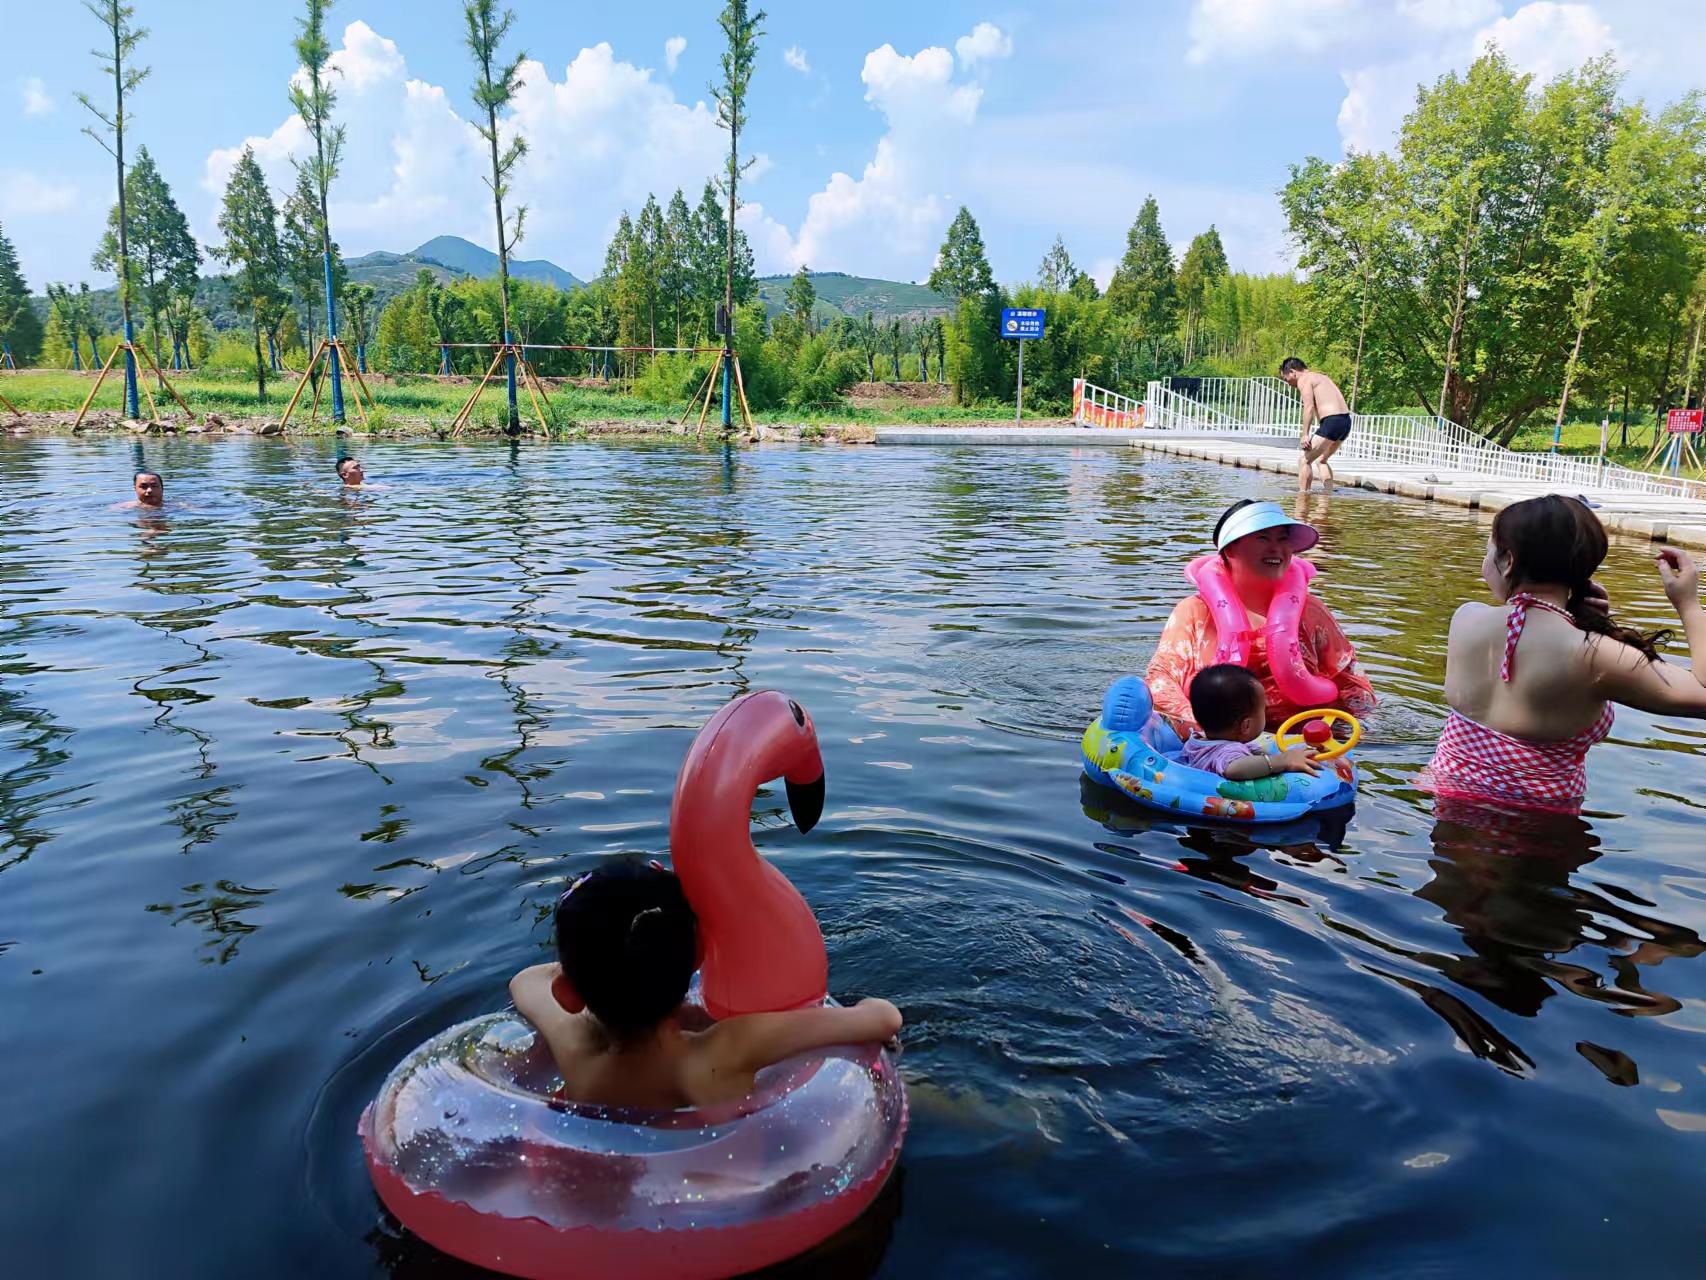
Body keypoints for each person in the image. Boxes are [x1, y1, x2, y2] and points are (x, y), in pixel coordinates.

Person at [509, 857, 902, 1110]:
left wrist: (594, 973)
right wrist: (869, 1006)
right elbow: (884, 1020)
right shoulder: (728, 1047)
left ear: (569, 995)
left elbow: (525, 981)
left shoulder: (576, 1052)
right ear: (699, 957)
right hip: (741, 1206)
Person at [1427, 493, 1706, 814]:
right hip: (1536, 827)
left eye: (1488, 552)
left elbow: (1527, 630)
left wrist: (1581, 619)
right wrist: (1687, 603)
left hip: (1448, 808)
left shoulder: (1466, 619)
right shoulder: (1594, 655)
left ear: (1508, 561)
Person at [1148, 499, 1375, 734]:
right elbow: (1160, 681)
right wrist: (1200, 728)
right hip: (1215, 739)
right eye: (1263, 538)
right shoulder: (1194, 612)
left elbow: (1354, 684)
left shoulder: (1311, 611)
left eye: (1283, 538)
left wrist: (1349, 729)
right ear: (1230, 548)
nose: (1276, 548)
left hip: (1300, 740)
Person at [1180, 663, 1321, 783]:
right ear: (1246, 725)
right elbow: (1234, 769)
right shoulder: (1228, 751)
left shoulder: (1197, 739)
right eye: (1264, 710)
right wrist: (1284, 760)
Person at [1280, 357, 1351, 491]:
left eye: (1286, 379)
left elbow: (1309, 407)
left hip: (1332, 421)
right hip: (1346, 421)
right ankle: (1327, 496)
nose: (1287, 383)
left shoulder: (1304, 379)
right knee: (1321, 460)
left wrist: (1305, 435)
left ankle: (1303, 497)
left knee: (1304, 460)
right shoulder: (1321, 377)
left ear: (1292, 372)